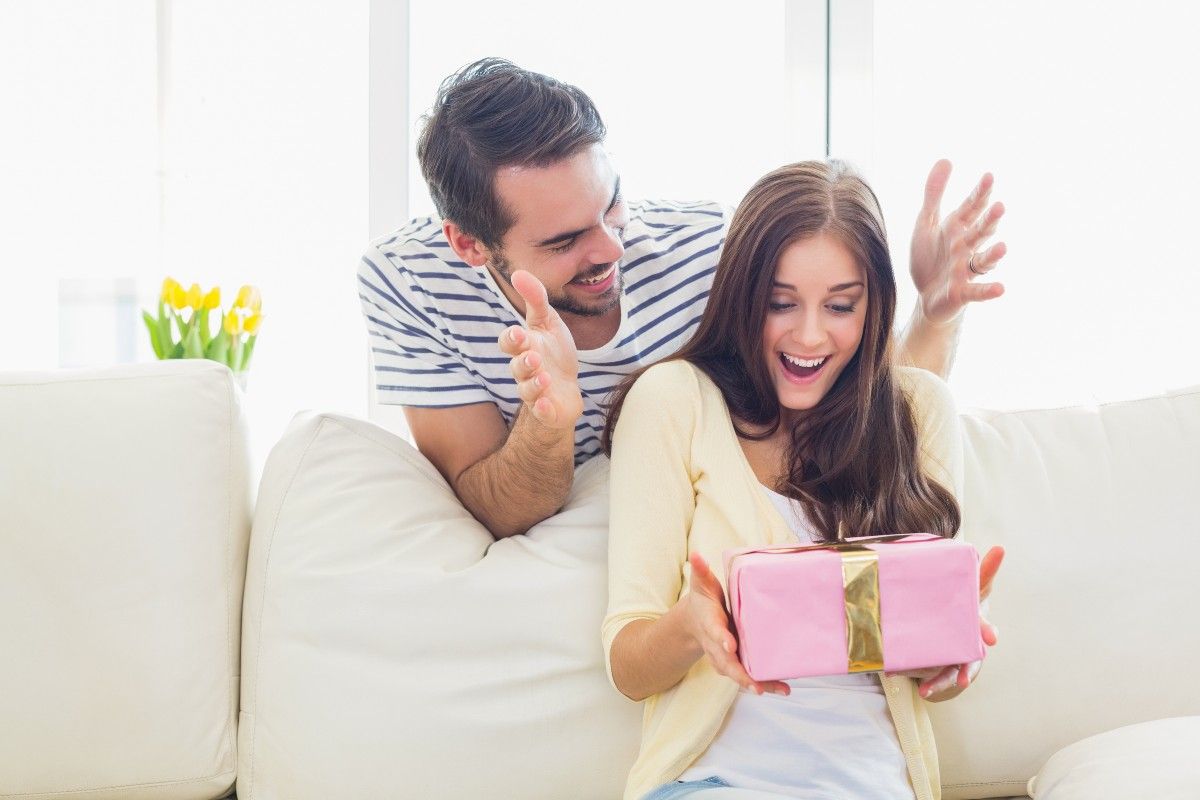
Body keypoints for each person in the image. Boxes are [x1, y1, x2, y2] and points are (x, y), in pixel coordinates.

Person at [357, 58, 1007, 539]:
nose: (612, 247)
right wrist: (549, 415)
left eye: (611, 204)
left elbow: (873, 415)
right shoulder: (410, 284)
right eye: (565, 241)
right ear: (470, 246)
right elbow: (493, 509)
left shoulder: (708, 248)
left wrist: (935, 310)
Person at [601, 161, 1004, 800]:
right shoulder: (676, 401)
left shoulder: (917, 411)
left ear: (873, 308)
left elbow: (939, 677)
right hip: (717, 784)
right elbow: (629, 665)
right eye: (780, 304)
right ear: (741, 296)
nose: (810, 334)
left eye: (840, 306)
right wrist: (694, 626)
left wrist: (949, 644)